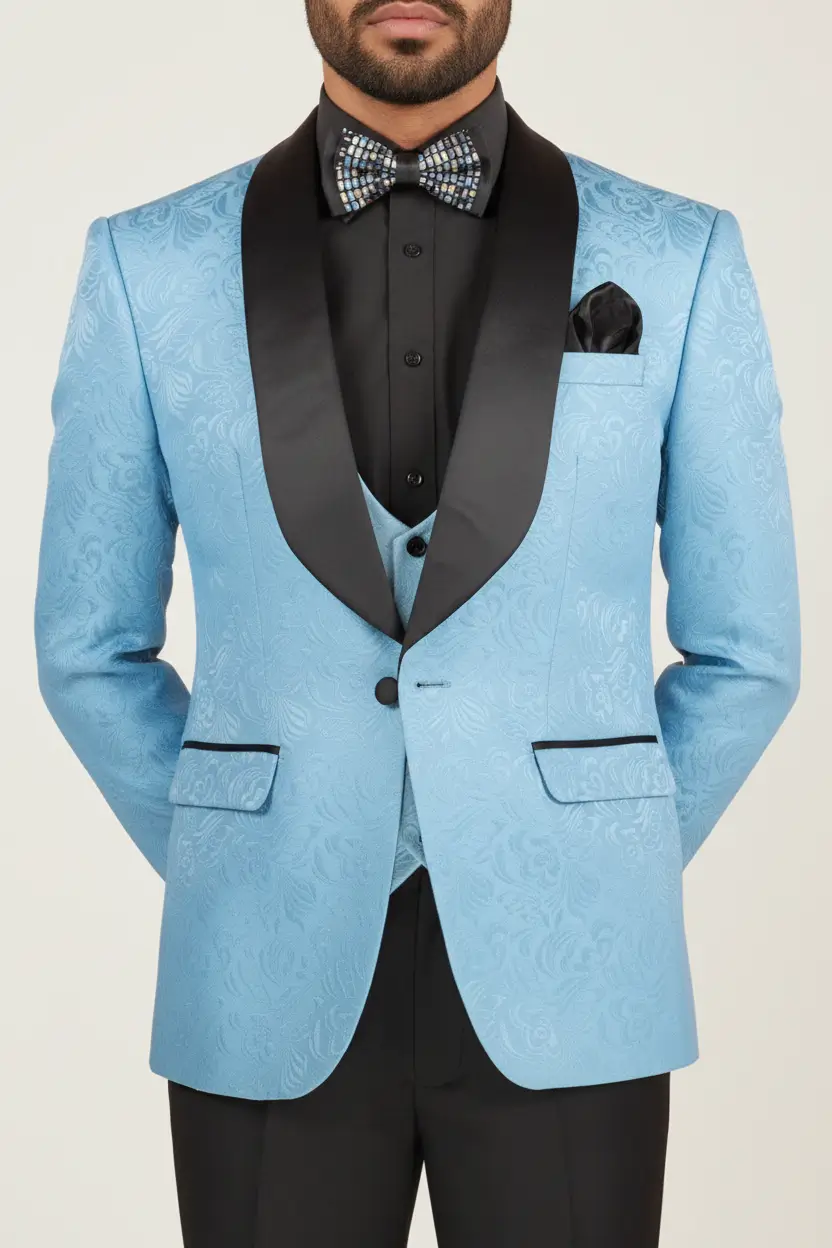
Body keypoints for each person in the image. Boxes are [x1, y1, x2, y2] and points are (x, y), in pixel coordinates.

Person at [34, 2, 801, 1245]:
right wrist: (245, 851)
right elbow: (87, 644)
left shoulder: (681, 256)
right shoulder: (145, 266)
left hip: (572, 971)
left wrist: (593, 851)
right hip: (264, 971)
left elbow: (747, 649)